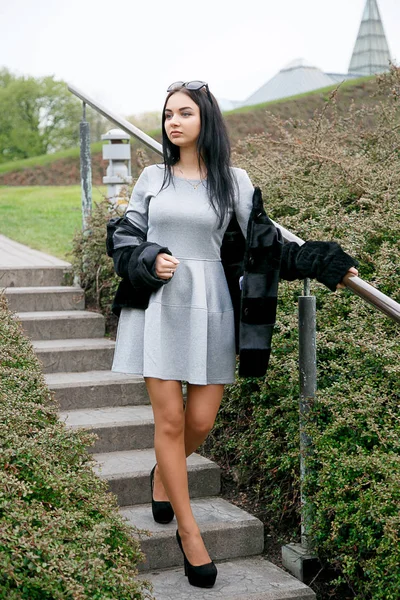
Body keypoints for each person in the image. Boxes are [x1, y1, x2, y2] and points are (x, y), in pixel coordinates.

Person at [110, 80, 358, 588]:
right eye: (167, 115)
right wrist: (146, 257)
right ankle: (190, 531)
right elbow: (125, 234)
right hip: (158, 304)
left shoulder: (233, 180)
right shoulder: (153, 178)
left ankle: (163, 473)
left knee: (200, 419)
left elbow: (267, 239)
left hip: (213, 307)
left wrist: (320, 259)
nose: (172, 122)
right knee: (171, 420)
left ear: (206, 120)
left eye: (184, 113)